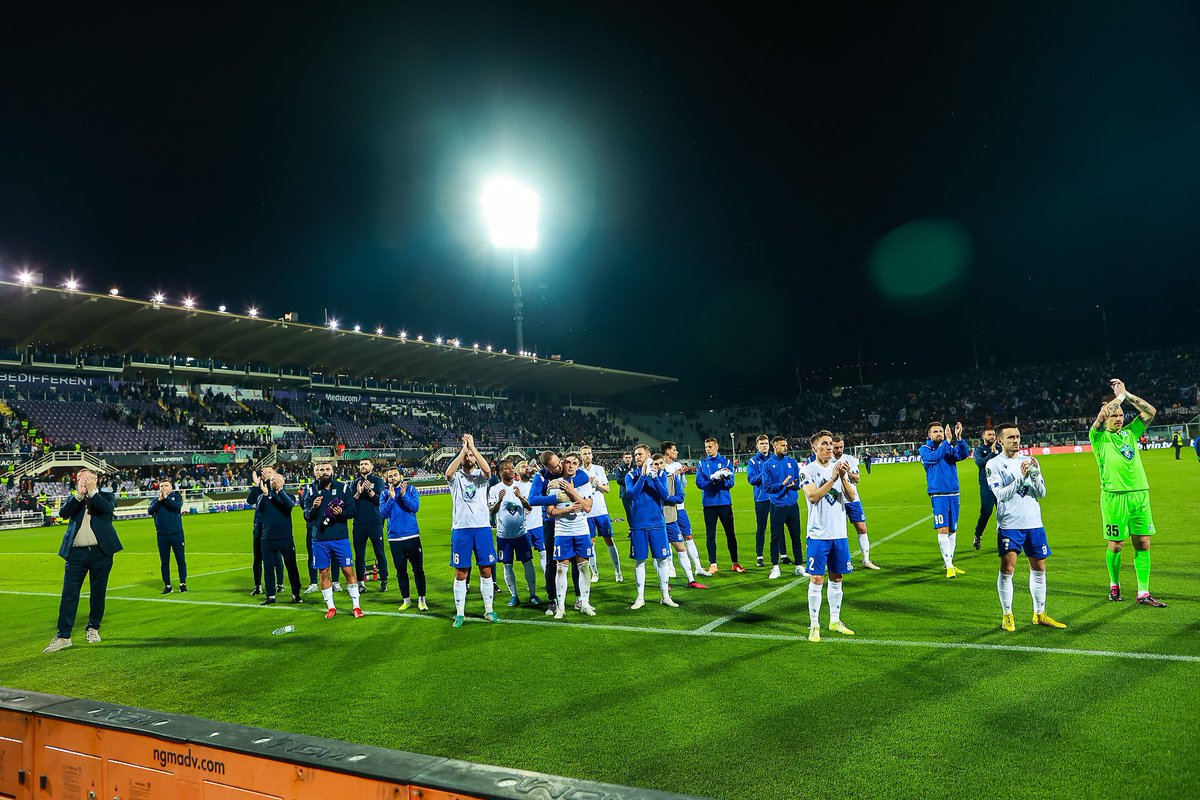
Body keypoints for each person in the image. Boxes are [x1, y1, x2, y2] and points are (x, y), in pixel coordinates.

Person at [1090, 379, 1166, 606]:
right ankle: (1114, 584)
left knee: (1143, 542)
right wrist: (1119, 397)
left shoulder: (1130, 433)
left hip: (1140, 494)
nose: (1119, 418)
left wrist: (1128, 394)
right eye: (1115, 415)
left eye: (1121, 415)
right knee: (1116, 544)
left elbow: (1150, 411)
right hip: (1114, 496)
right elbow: (1103, 414)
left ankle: (1143, 592)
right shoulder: (1099, 437)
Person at [986, 423, 1066, 631]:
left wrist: (1036, 474)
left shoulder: (1029, 461)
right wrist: (1021, 477)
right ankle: (1007, 615)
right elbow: (1000, 495)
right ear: (1000, 440)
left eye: (1018, 436)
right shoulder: (993, 465)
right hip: (1010, 524)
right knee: (1008, 569)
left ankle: (1040, 613)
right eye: (1011, 437)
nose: (1016, 440)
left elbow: (1042, 494)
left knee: (1039, 568)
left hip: (1034, 522)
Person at [44, 468, 121, 653]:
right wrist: (79, 494)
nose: (83, 481)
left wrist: (93, 491)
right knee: (69, 594)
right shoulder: (75, 498)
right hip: (76, 554)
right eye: (80, 478)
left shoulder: (105, 495)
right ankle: (64, 636)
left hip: (100, 553)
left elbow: (107, 510)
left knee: (98, 593)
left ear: (95, 479)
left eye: (87, 477)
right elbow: (63, 513)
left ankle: (93, 628)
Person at [799, 431, 856, 643]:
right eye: (824, 444)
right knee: (816, 578)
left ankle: (834, 620)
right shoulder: (808, 470)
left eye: (830, 444)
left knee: (837, 577)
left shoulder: (838, 468)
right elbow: (812, 496)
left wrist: (843, 477)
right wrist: (833, 477)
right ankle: (814, 624)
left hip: (839, 533)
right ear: (814, 448)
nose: (829, 447)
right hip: (818, 534)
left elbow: (851, 497)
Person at [446, 433, 499, 627]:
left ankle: (489, 610)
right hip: (461, 529)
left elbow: (488, 471)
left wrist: (473, 448)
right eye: (466, 456)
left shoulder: (481, 477)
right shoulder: (456, 477)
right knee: (461, 572)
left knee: (486, 570)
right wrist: (463, 450)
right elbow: (448, 474)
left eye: (471, 456)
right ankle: (460, 613)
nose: (468, 458)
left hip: (482, 528)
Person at [303, 460, 362, 618]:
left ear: (333, 471)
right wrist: (314, 508)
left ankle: (356, 606)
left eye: (327, 469)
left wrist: (341, 512)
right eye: (320, 469)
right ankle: (331, 607)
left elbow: (353, 511)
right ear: (315, 473)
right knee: (324, 573)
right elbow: (307, 516)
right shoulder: (309, 490)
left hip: (340, 538)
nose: (324, 472)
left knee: (348, 570)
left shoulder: (343, 488)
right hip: (319, 539)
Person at [624, 445, 677, 609]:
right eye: (635, 454)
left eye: (640, 454)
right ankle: (640, 598)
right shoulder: (631, 475)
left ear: (648, 455)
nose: (637, 456)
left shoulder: (660, 473)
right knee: (640, 561)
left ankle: (665, 596)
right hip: (638, 524)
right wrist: (642, 476)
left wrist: (653, 477)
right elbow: (631, 494)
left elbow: (664, 495)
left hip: (657, 524)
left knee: (662, 561)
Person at [548, 451, 597, 618]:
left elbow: (588, 507)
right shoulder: (554, 484)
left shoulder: (584, 484)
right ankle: (561, 607)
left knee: (584, 566)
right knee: (561, 569)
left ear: (578, 466)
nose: (570, 465)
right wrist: (567, 509)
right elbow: (550, 512)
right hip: (562, 530)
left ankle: (584, 603)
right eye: (568, 462)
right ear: (563, 463)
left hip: (581, 529)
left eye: (574, 463)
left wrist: (571, 490)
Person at [488, 458, 541, 608]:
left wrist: (521, 497)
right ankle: (514, 596)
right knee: (507, 565)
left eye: (512, 468)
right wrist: (499, 500)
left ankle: (532, 594)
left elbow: (530, 507)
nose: (511, 470)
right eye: (507, 468)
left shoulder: (521, 487)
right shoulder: (495, 489)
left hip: (521, 534)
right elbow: (492, 511)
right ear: (500, 472)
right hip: (504, 536)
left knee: (528, 563)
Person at [921, 421, 970, 578]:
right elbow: (935, 457)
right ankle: (949, 566)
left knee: (953, 530)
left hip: (954, 493)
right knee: (943, 529)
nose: (939, 434)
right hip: (939, 495)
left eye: (941, 431)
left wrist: (959, 438)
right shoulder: (925, 449)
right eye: (935, 431)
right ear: (929, 435)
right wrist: (947, 442)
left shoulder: (947, 447)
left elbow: (962, 455)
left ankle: (950, 563)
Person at [248, 466, 303, 605]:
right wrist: (266, 494)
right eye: (272, 479)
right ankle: (271, 595)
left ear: (283, 482)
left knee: (291, 567)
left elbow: (290, 505)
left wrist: (279, 491)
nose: (274, 481)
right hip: (267, 539)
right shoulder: (263, 496)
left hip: (285, 538)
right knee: (268, 568)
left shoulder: (288, 496)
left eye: (277, 479)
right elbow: (259, 509)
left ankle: (296, 593)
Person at [695, 437, 744, 573]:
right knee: (710, 534)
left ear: (717, 447)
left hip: (724, 503)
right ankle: (713, 564)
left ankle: (735, 563)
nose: (708, 449)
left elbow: (731, 483)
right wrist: (713, 480)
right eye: (706, 447)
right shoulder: (701, 464)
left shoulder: (726, 462)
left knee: (730, 534)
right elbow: (699, 483)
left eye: (710, 446)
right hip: (709, 504)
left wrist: (720, 481)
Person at [380, 465, 426, 611]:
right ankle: (406, 600)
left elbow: (415, 508)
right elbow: (382, 514)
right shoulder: (385, 494)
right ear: (387, 478)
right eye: (390, 475)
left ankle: (422, 600)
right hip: (395, 539)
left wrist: (403, 495)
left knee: (418, 569)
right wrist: (392, 499)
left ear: (401, 476)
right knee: (401, 572)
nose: (393, 477)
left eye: (395, 475)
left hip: (412, 536)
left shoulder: (411, 490)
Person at [661, 441, 708, 578]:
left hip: (680, 508)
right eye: (674, 450)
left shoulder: (677, 465)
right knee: (668, 539)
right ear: (667, 452)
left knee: (688, 536)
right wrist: (674, 474)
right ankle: (671, 568)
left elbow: (683, 486)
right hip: (667, 509)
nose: (676, 452)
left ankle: (698, 567)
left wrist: (681, 475)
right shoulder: (660, 465)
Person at [832, 436, 879, 569]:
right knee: (840, 531)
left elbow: (857, 479)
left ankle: (866, 559)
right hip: (836, 500)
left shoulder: (850, 459)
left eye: (841, 447)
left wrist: (848, 472)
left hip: (853, 499)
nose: (839, 449)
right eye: (836, 447)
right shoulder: (827, 461)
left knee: (862, 528)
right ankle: (841, 560)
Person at [763, 436, 806, 579]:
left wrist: (792, 485)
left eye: (786, 445)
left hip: (793, 505)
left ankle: (799, 565)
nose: (786, 447)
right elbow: (767, 487)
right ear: (774, 447)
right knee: (775, 537)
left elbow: (799, 483)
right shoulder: (768, 465)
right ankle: (775, 567)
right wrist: (782, 485)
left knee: (796, 537)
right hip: (778, 505)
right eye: (782, 445)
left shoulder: (792, 463)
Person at [580, 445, 622, 582]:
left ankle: (618, 572)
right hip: (587, 513)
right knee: (590, 542)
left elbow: (607, 489)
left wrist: (597, 484)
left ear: (592, 455)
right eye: (584, 453)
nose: (587, 455)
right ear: (581, 456)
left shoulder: (599, 469)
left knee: (609, 539)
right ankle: (595, 573)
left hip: (601, 511)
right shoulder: (579, 472)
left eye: (589, 453)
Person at [350, 458, 389, 592]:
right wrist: (358, 493)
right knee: (359, 555)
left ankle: (384, 581)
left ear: (372, 466)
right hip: (359, 523)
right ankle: (361, 583)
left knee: (380, 552)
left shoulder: (378, 481)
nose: (363, 466)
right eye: (361, 464)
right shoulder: (354, 483)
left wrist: (370, 492)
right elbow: (350, 504)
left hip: (374, 522)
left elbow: (381, 500)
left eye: (366, 464)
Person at [746, 434, 785, 567]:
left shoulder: (776, 459)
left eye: (766, 443)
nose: (764, 446)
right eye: (761, 443)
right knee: (761, 528)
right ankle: (760, 556)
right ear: (757, 446)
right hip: (761, 498)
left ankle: (783, 555)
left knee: (778, 526)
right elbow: (751, 479)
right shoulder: (752, 461)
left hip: (775, 497)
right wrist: (766, 472)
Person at [249, 472, 284, 597]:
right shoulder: (259, 488)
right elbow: (250, 500)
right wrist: (256, 485)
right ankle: (258, 586)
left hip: (273, 527)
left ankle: (280, 584)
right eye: (263, 472)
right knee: (257, 558)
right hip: (259, 527)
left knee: (277, 557)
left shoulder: (276, 487)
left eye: (268, 471)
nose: (264, 473)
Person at [149, 478, 187, 594]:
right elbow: (150, 511)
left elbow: (176, 507)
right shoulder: (156, 501)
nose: (163, 488)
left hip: (176, 533)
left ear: (170, 487)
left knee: (180, 559)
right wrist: (160, 500)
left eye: (166, 485)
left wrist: (165, 499)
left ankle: (182, 584)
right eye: (161, 486)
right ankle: (167, 585)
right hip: (162, 535)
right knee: (164, 561)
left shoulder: (176, 497)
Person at [972, 428, 1002, 550]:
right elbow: (980, 463)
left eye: (994, 434)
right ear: (983, 436)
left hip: (1000, 484)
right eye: (989, 434)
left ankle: (1005, 539)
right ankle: (977, 535)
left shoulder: (1001, 449)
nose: (992, 436)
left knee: (1003, 512)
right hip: (986, 485)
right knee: (986, 512)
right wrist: (992, 453)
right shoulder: (979, 450)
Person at [614, 451, 635, 530]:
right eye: (626, 458)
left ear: (632, 458)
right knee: (629, 513)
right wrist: (629, 477)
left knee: (638, 512)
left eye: (629, 457)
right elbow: (619, 480)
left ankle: (638, 528)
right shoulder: (620, 469)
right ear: (623, 459)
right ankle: (632, 529)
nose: (628, 459)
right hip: (625, 494)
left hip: (636, 493)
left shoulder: (635, 467)